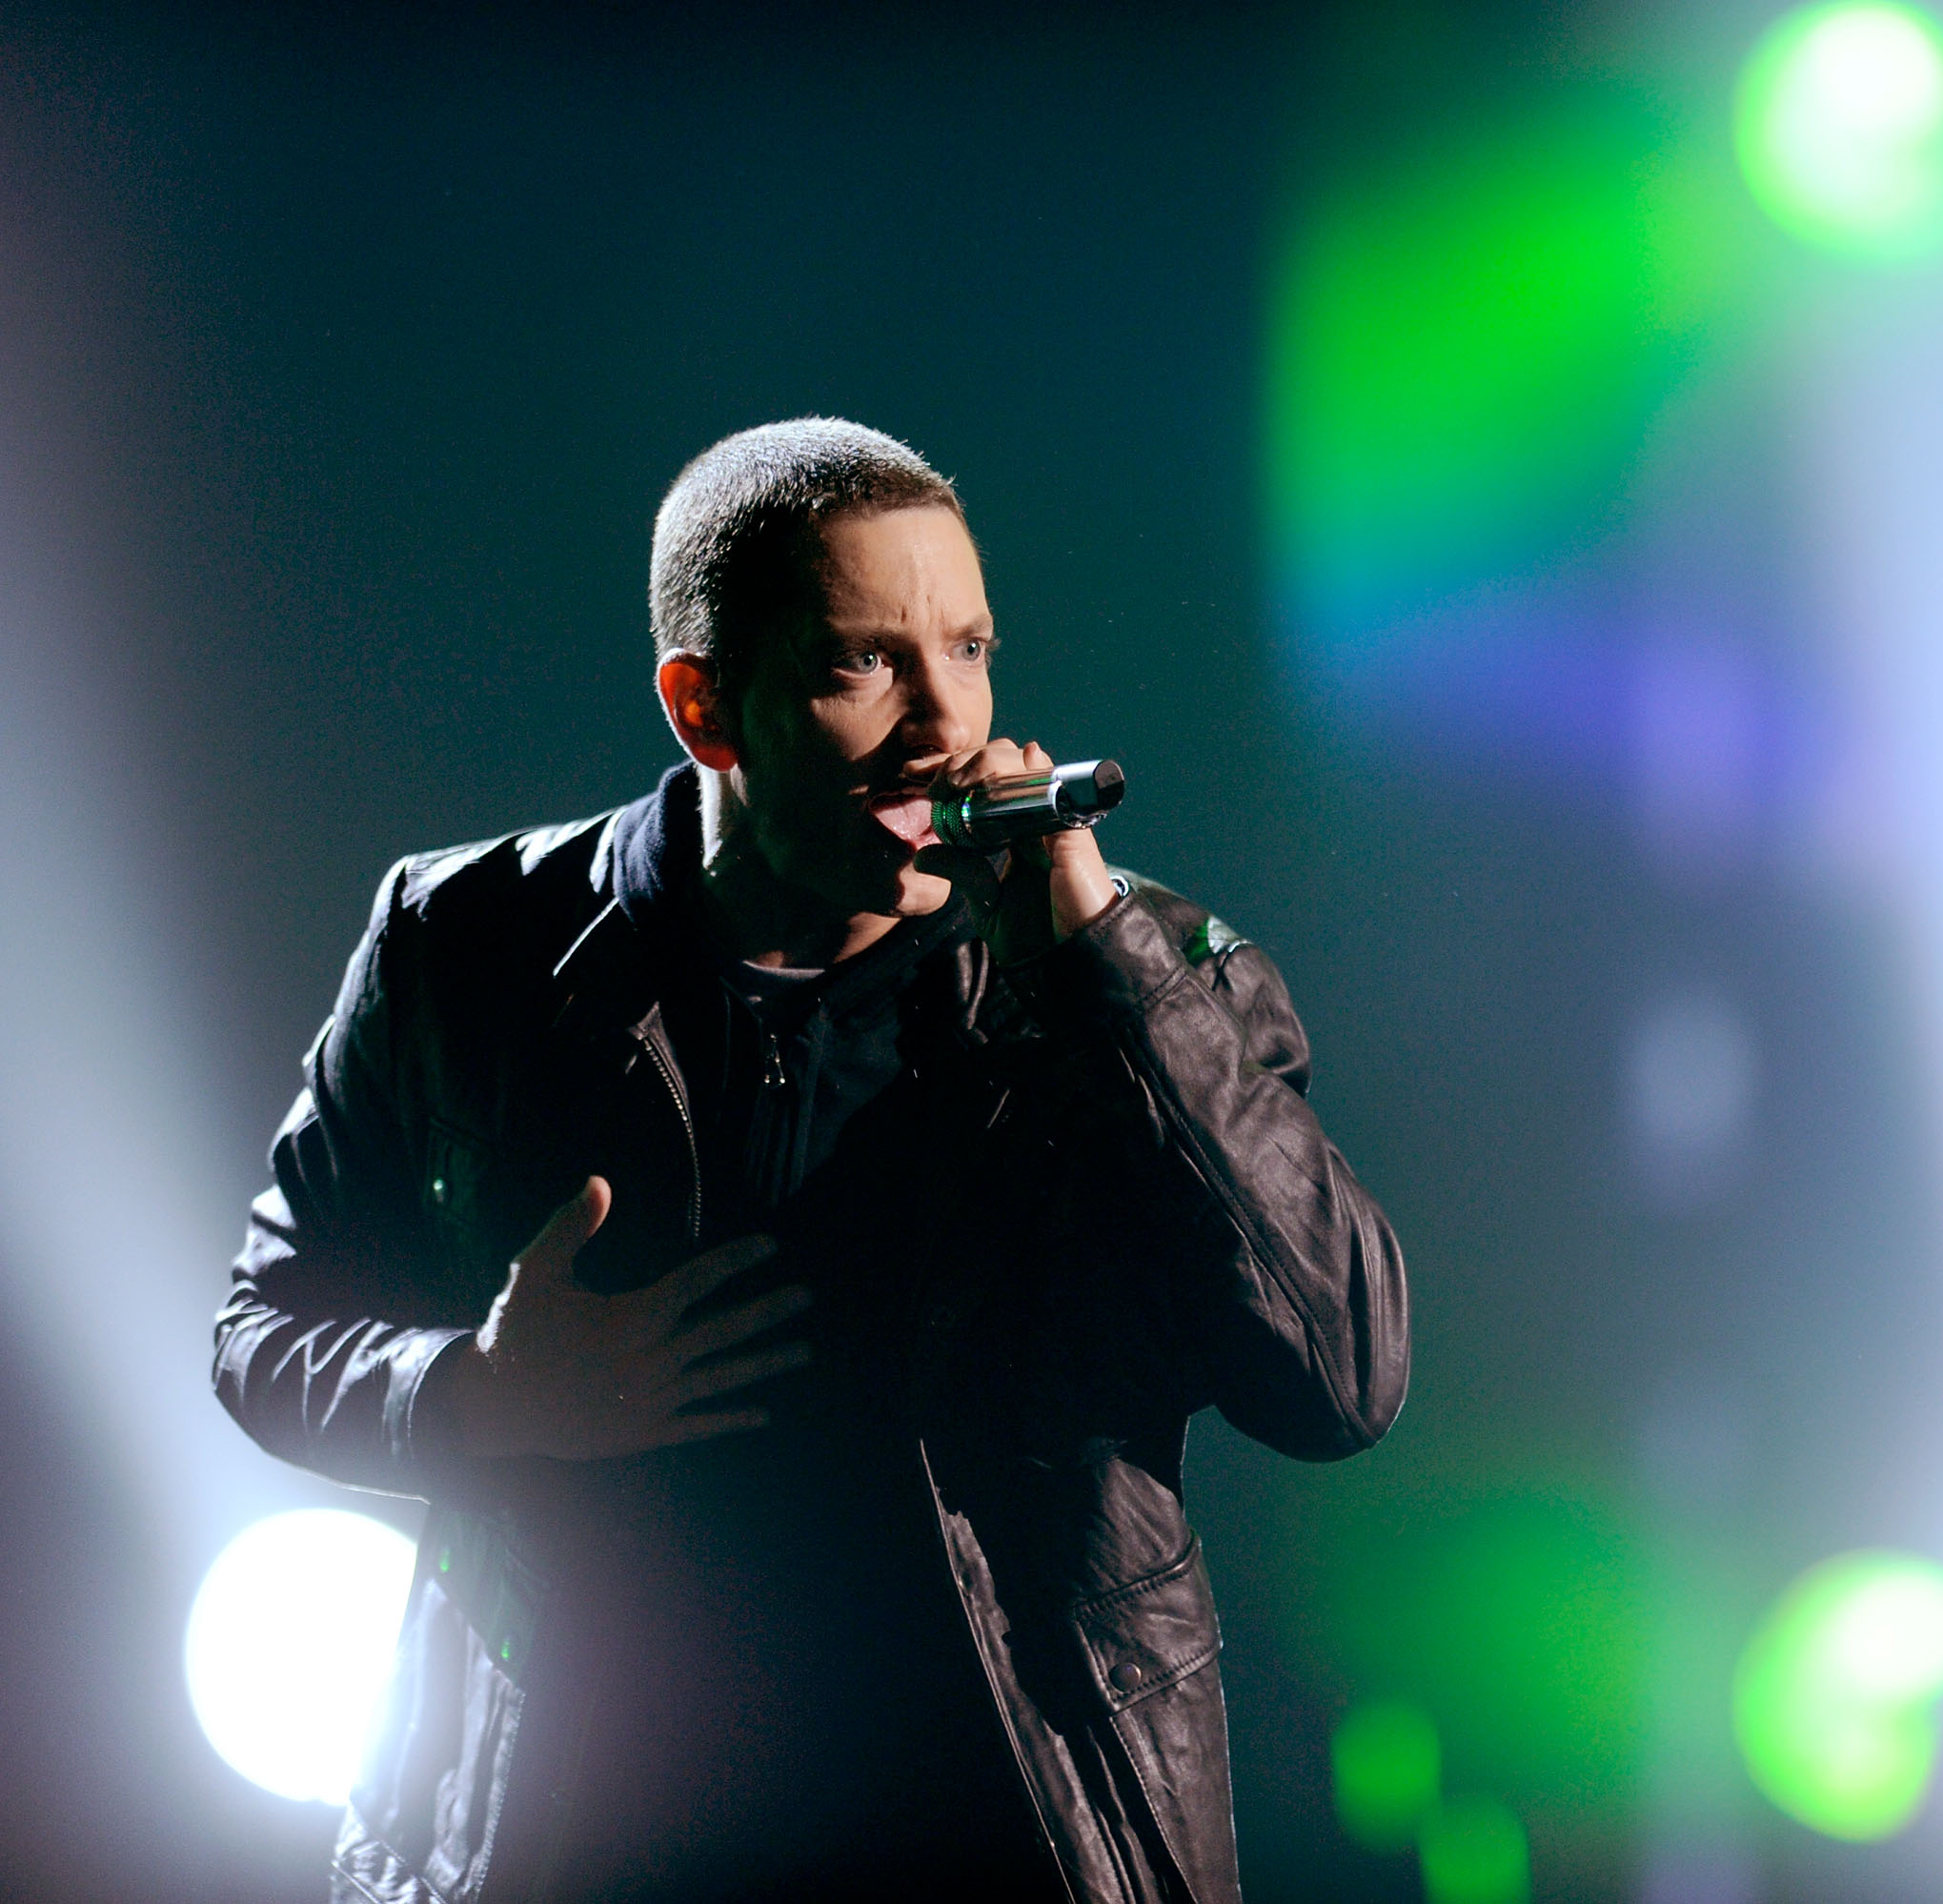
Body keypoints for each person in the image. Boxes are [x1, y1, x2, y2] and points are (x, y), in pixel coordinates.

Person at [213, 417, 1409, 1903]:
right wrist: (481, 1394)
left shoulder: (1144, 977)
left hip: (1005, 1833)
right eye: (866, 663)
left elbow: (1341, 1375)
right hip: (597, 1837)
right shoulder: (466, 947)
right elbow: (261, 1335)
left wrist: (1111, 980)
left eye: (968, 649)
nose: (945, 723)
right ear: (705, 707)